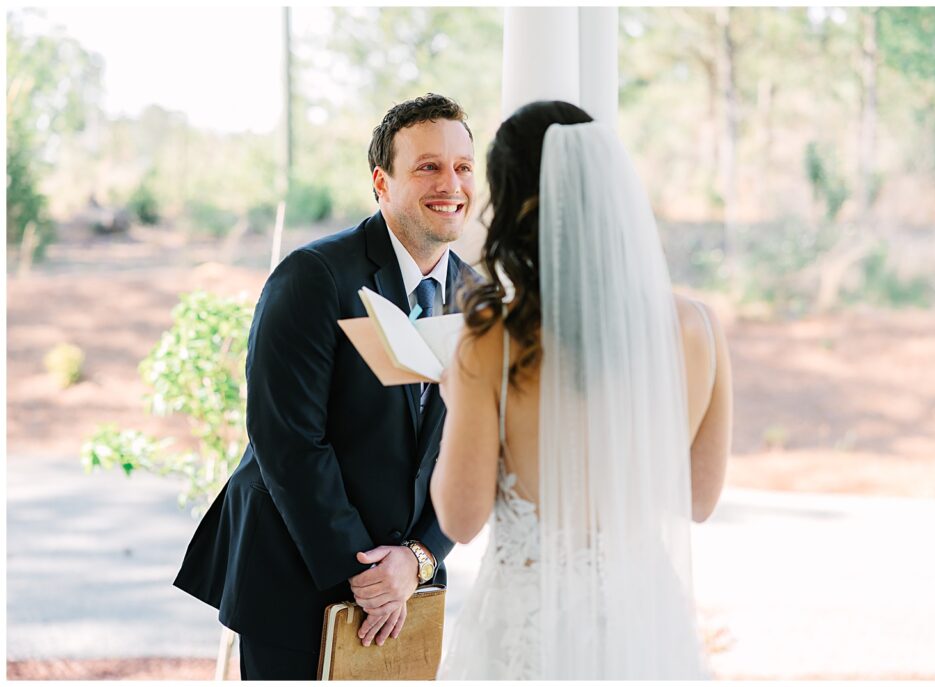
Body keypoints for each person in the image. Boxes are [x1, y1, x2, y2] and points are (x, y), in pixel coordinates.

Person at [173, 93, 478, 680]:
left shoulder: (478, 298)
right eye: (428, 167)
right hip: (295, 578)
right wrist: (364, 573)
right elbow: (286, 440)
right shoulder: (313, 277)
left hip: (405, 591)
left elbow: (473, 446)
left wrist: (417, 560)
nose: (452, 184)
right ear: (381, 182)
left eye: (463, 167)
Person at [430, 101, 733, 679]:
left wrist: (455, 397)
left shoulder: (492, 339)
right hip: (644, 627)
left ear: (516, 206)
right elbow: (697, 499)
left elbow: (460, 519)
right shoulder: (698, 327)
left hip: (528, 631)